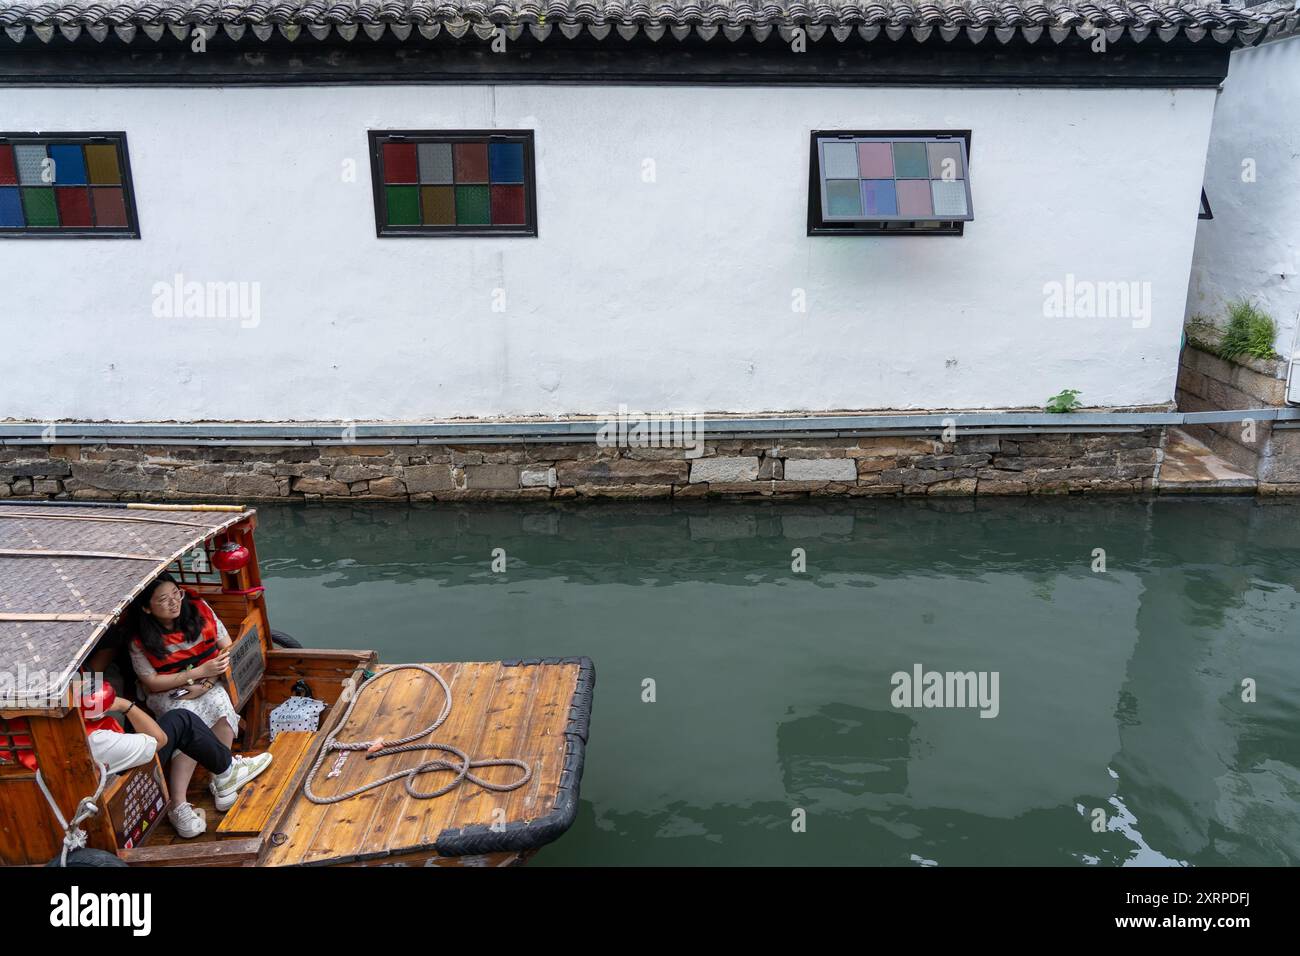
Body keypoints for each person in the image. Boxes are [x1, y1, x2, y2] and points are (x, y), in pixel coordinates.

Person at [127, 573, 243, 821]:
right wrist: (197, 675)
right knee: (187, 716)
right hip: (167, 689)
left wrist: (207, 681)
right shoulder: (139, 639)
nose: (174, 602)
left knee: (219, 703)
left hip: (209, 678)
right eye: (163, 600)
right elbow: (151, 682)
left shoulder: (200, 610)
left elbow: (227, 647)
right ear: (147, 608)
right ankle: (178, 803)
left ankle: (221, 776)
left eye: (176, 594)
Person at [87, 689, 272, 838]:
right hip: (122, 798)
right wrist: (124, 705)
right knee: (182, 720)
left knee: (191, 712)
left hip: (109, 780)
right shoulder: (98, 741)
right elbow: (158, 740)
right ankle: (224, 774)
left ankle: (225, 773)